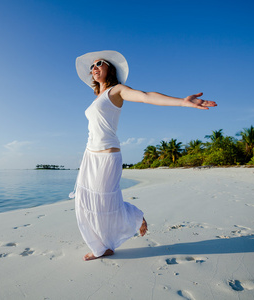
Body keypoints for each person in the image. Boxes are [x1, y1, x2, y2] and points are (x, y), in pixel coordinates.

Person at [72, 50, 217, 261]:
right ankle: (103, 246)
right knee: (88, 201)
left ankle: (135, 216)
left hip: (107, 156)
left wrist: (182, 102)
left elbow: (146, 97)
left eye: (99, 64)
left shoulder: (117, 90)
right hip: (90, 155)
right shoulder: (98, 97)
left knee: (105, 201)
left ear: (110, 68)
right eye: (91, 67)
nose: (94, 68)